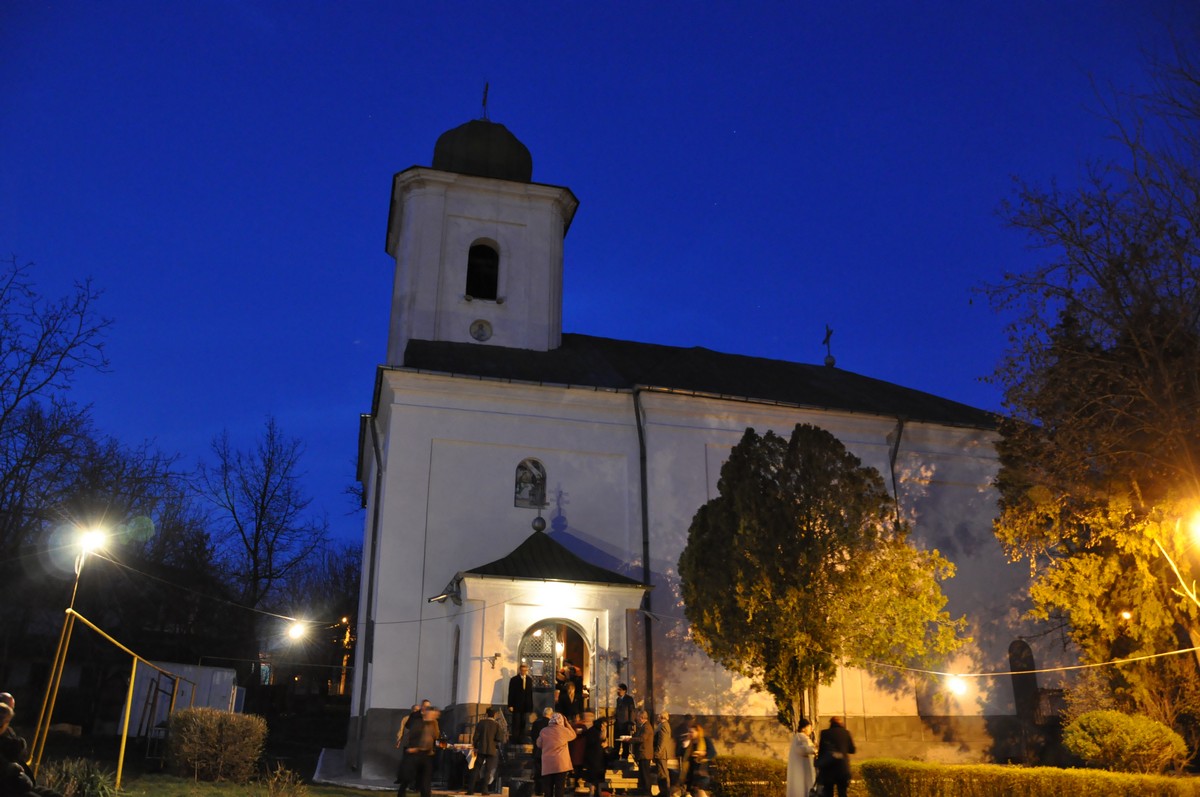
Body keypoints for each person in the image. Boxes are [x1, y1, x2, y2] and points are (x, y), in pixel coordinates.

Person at [400, 704, 441, 797]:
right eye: (433, 714)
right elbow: (412, 736)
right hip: (415, 753)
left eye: (435, 715)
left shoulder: (433, 724)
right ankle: (401, 793)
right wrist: (413, 748)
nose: (434, 716)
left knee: (426, 781)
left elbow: (435, 736)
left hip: (427, 755)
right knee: (407, 779)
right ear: (427, 713)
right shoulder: (418, 722)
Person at [536, 713, 577, 797]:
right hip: (560, 764)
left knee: (548, 787)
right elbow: (573, 735)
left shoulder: (544, 730)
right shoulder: (564, 731)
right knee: (559, 787)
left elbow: (538, 744)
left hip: (547, 764)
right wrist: (567, 724)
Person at [815, 716, 854, 797]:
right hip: (842, 768)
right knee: (842, 793)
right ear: (840, 723)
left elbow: (821, 751)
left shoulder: (824, 733)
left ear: (831, 723)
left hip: (828, 769)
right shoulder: (846, 733)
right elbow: (852, 750)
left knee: (828, 793)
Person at [467, 707, 503, 795]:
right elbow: (499, 738)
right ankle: (484, 790)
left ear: (487, 714)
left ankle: (471, 790)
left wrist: (475, 746)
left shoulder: (481, 723)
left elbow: (475, 737)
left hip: (481, 749)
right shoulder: (496, 725)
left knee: (476, 768)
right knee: (488, 770)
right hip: (491, 750)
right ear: (494, 715)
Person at [786, 718, 815, 797]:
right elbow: (803, 749)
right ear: (803, 729)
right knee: (802, 789)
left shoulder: (801, 737)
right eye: (809, 727)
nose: (811, 729)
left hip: (803, 770)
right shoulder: (800, 737)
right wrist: (814, 750)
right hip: (801, 771)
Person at [580, 712, 607, 797]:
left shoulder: (594, 730)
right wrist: (602, 744)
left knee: (595, 777)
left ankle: (596, 790)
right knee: (595, 776)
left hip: (595, 757)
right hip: (595, 757)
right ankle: (593, 791)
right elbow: (596, 741)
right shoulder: (595, 731)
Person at [395, 704, 421, 787]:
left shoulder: (421, 719)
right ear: (412, 710)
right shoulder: (406, 719)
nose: (416, 711)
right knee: (405, 762)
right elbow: (401, 730)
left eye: (418, 710)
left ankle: (414, 781)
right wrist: (398, 741)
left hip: (417, 745)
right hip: (408, 743)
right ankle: (402, 778)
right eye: (415, 710)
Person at [508, 664, 535, 744]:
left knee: (524, 723)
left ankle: (522, 739)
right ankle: (515, 739)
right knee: (516, 722)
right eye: (522, 670)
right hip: (516, 705)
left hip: (526, 706)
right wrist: (510, 705)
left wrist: (530, 706)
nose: (524, 672)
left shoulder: (529, 680)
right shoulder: (514, 679)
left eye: (525, 670)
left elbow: (530, 694)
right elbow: (511, 693)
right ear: (520, 670)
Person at [531, 707, 554, 795]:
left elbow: (533, 736)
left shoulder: (536, 723)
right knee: (547, 772)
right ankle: (546, 790)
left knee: (538, 771)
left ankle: (538, 790)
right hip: (549, 751)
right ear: (551, 715)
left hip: (537, 751)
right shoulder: (552, 725)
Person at [684, 719, 709, 797]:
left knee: (700, 792)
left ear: (698, 732)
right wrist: (687, 740)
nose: (690, 733)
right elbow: (681, 751)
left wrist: (702, 753)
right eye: (689, 732)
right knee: (690, 792)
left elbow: (711, 753)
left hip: (700, 772)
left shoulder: (703, 742)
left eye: (692, 732)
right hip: (690, 773)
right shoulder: (689, 742)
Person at [632, 710, 655, 796]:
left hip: (645, 754)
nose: (636, 719)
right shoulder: (642, 726)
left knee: (645, 774)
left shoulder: (646, 727)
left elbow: (642, 739)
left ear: (642, 718)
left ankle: (647, 792)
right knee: (642, 774)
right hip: (642, 754)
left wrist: (630, 740)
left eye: (638, 717)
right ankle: (644, 790)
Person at [653, 712, 673, 797]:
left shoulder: (664, 726)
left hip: (662, 754)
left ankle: (665, 792)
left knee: (663, 773)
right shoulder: (662, 725)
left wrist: (657, 753)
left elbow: (662, 741)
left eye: (658, 716)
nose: (657, 717)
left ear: (662, 717)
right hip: (661, 753)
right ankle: (663, 791)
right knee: (661, 772)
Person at [613, 684, 635, 759]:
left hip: (626, 724)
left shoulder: (629, 699)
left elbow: (631, 711)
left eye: (619, 690)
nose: (618, 691)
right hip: (618, 723)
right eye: (618, 689)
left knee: (625, 741)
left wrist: (630, 723)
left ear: (624, 690)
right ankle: (616, 755)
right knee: (616, 740)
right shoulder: (618, 699)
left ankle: (625, 756)